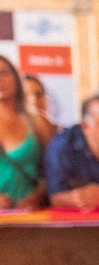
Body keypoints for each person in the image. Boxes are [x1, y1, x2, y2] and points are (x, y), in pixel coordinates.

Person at [0, 56, 56, 209]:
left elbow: (55, 169)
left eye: (3, 73)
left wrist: (37, 197)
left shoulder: (37, 122)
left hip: (33, 216)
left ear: (16, 78)